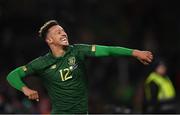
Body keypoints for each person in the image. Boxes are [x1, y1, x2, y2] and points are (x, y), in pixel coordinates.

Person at [7, 20, 153, 114]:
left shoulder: (77, 51)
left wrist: (134, 52)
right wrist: (25, 89)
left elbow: (108, 50)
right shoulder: (41, 63)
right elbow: (12, 75)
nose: (64, 33)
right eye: (58, 32)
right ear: (49, 40)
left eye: (63, 30)